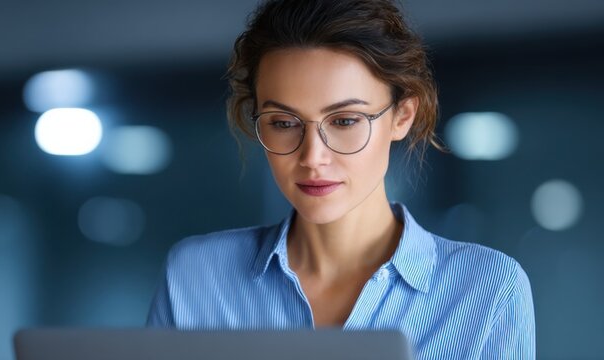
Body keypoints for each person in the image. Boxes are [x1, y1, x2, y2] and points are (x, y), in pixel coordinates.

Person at [146, 0, 535, 358]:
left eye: (345, 121)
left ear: (402, 116)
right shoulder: (194, 276)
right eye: (283, 123)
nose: (313, 157)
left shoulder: (487, 290)